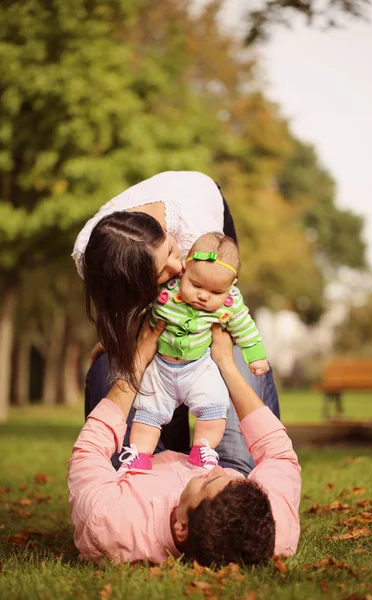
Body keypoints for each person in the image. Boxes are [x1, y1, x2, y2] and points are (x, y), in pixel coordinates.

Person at [74, 171, 280, 462]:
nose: (179, 266)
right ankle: (159, 462)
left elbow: (216, 288)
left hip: (206, 228)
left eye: (172, 252)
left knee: (219, 344)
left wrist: (233, 353)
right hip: (153, 309)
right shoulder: (92, 256)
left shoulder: (195, 230)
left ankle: (225, 453)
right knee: (131, 383)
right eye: (163, 272)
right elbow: (120, 302)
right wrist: (121, 336)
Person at [68, 320, 301, 567]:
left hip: (137, 465)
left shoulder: (109, 521)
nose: (215, 470)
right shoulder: (270, 525)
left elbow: (89, 450)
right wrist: (225, 364)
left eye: (207, 482)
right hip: (210, 448)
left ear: (181, 527)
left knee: (111, 364)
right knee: (238, 354)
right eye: (237, 482)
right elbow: (278, 453)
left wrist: (136, 365)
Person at [122, 232, 269, 471]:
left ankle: (202, 449)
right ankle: (139, 455)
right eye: (196, 285)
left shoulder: (231, 303)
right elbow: (136, 308)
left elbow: (245, 327)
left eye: (215, 293)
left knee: (214, 406)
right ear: (184, 269)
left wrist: (256, 355)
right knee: (148, 411)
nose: (203, 296)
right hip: (159, 368)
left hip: (199, 367)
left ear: (231, 286)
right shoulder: (166, 290)